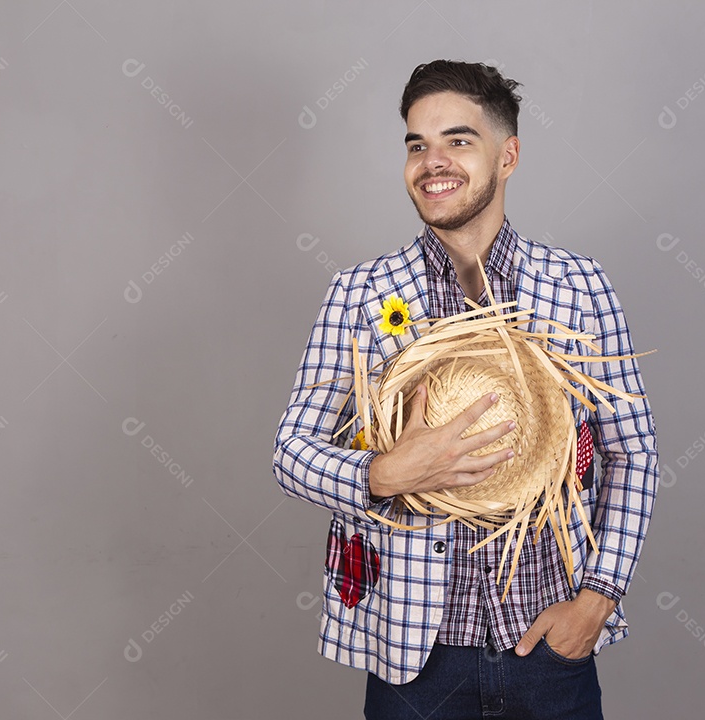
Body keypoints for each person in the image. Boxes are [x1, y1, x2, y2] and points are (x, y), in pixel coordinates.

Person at [273, 59, 659, 720]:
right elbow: (291, 453)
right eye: (416, 145)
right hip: (415, 662)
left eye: (458, 140)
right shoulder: (361, 295)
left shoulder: (579, 287)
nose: (432, 162)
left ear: (507, 155)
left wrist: (598, 597)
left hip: (549, 651)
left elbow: (633, 454)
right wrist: (384, 472)